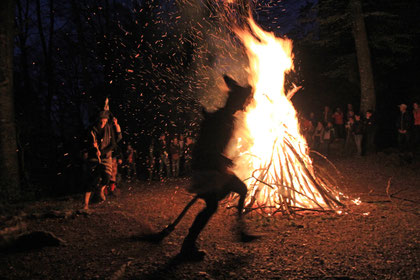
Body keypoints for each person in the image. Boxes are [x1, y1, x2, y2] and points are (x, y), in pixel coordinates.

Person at [179, 75, 258, 261]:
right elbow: (206, 145)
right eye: (245, 100)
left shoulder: (225, 118)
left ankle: (240, 231)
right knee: (212, 205)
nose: (246, 104)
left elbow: (211, 144)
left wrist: (222, 158)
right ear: (238, 101)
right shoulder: (221, 119)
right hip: (206, 167)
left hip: (213, 165)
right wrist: (218, 159)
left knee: (240, 189)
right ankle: (188, 245)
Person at [84, 111, 119, 210]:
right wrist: (93, 148)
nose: (102, 124)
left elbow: (113, 144)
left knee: (107, 177)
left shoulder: (109, 128)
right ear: (98, 121)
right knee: (92, 180)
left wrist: (102, 152)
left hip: (106, 156)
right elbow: (85, 143)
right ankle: (85, 204)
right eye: (101, 122)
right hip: (94, 157)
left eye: (104, 121)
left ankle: (101, 190)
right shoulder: (92, 130)